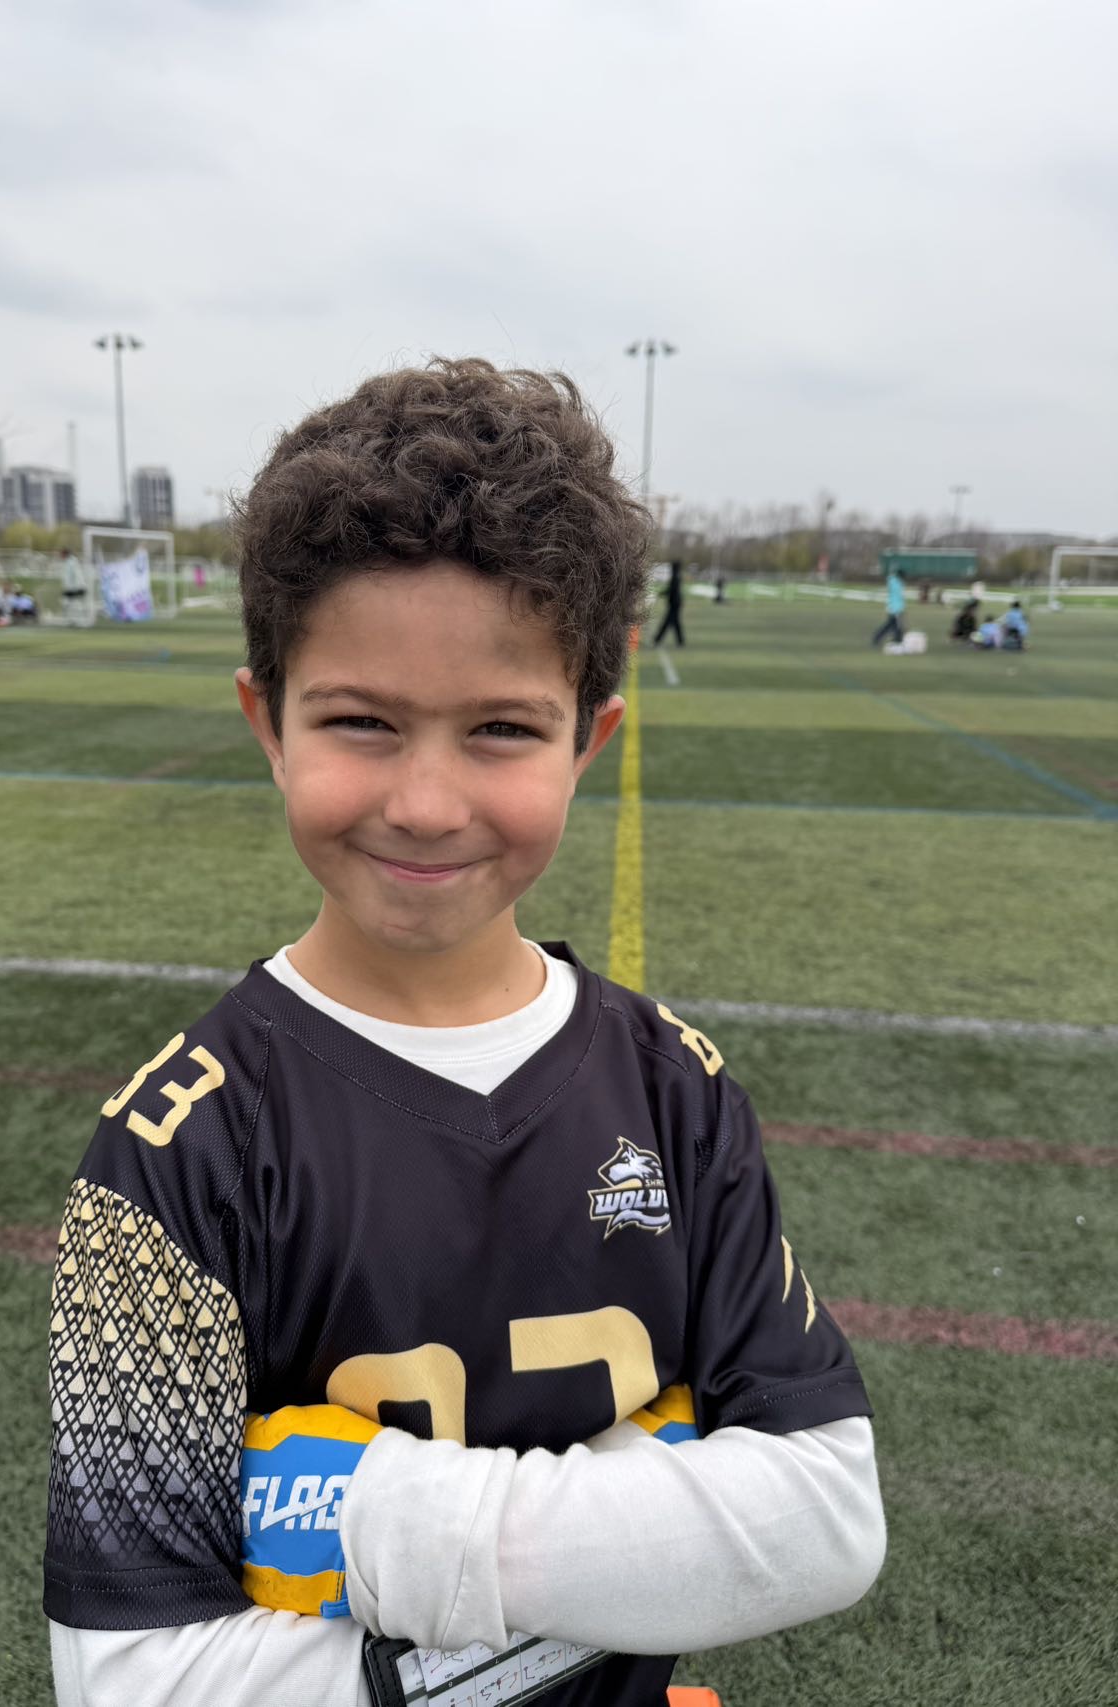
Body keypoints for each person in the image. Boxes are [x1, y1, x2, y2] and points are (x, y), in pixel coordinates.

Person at [43, 359, 886, 1707]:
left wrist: (369, 1515)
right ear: (267, 722)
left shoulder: (673, 1086)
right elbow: (135, 1679)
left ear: (588, 740)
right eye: (360, 722)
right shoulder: (175, 1150)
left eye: (500, 728)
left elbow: (829, 1516)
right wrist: (653, 1538)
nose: (428, 803)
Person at [651, 557, 685, 646]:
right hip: (675, 604)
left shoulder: (675, 577)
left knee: (667, 622)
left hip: (674, 604)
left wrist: (660, 594)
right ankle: (680, 641)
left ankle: (657, 639)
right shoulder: (677, 576)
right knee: (675, 623)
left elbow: (671, 590)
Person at [871, 564, 906, 647]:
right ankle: (897, 640)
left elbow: (890, 577)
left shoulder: (895, 582)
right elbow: (899, 598)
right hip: (895, 609)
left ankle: (896, 640)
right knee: (894, 626)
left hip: (894, 608)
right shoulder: (896, 583)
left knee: (892, 626)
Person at [60, 546, 88, 625]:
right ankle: (73, 620)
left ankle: (77, 620)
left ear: (65, 554)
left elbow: (72, 576)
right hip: (76, 587)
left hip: (75, 587)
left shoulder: (71, 562)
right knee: (69, 603)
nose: (61, 556)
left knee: (72, 603)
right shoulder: (72, 561)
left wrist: (69, 588)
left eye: (62, 554)